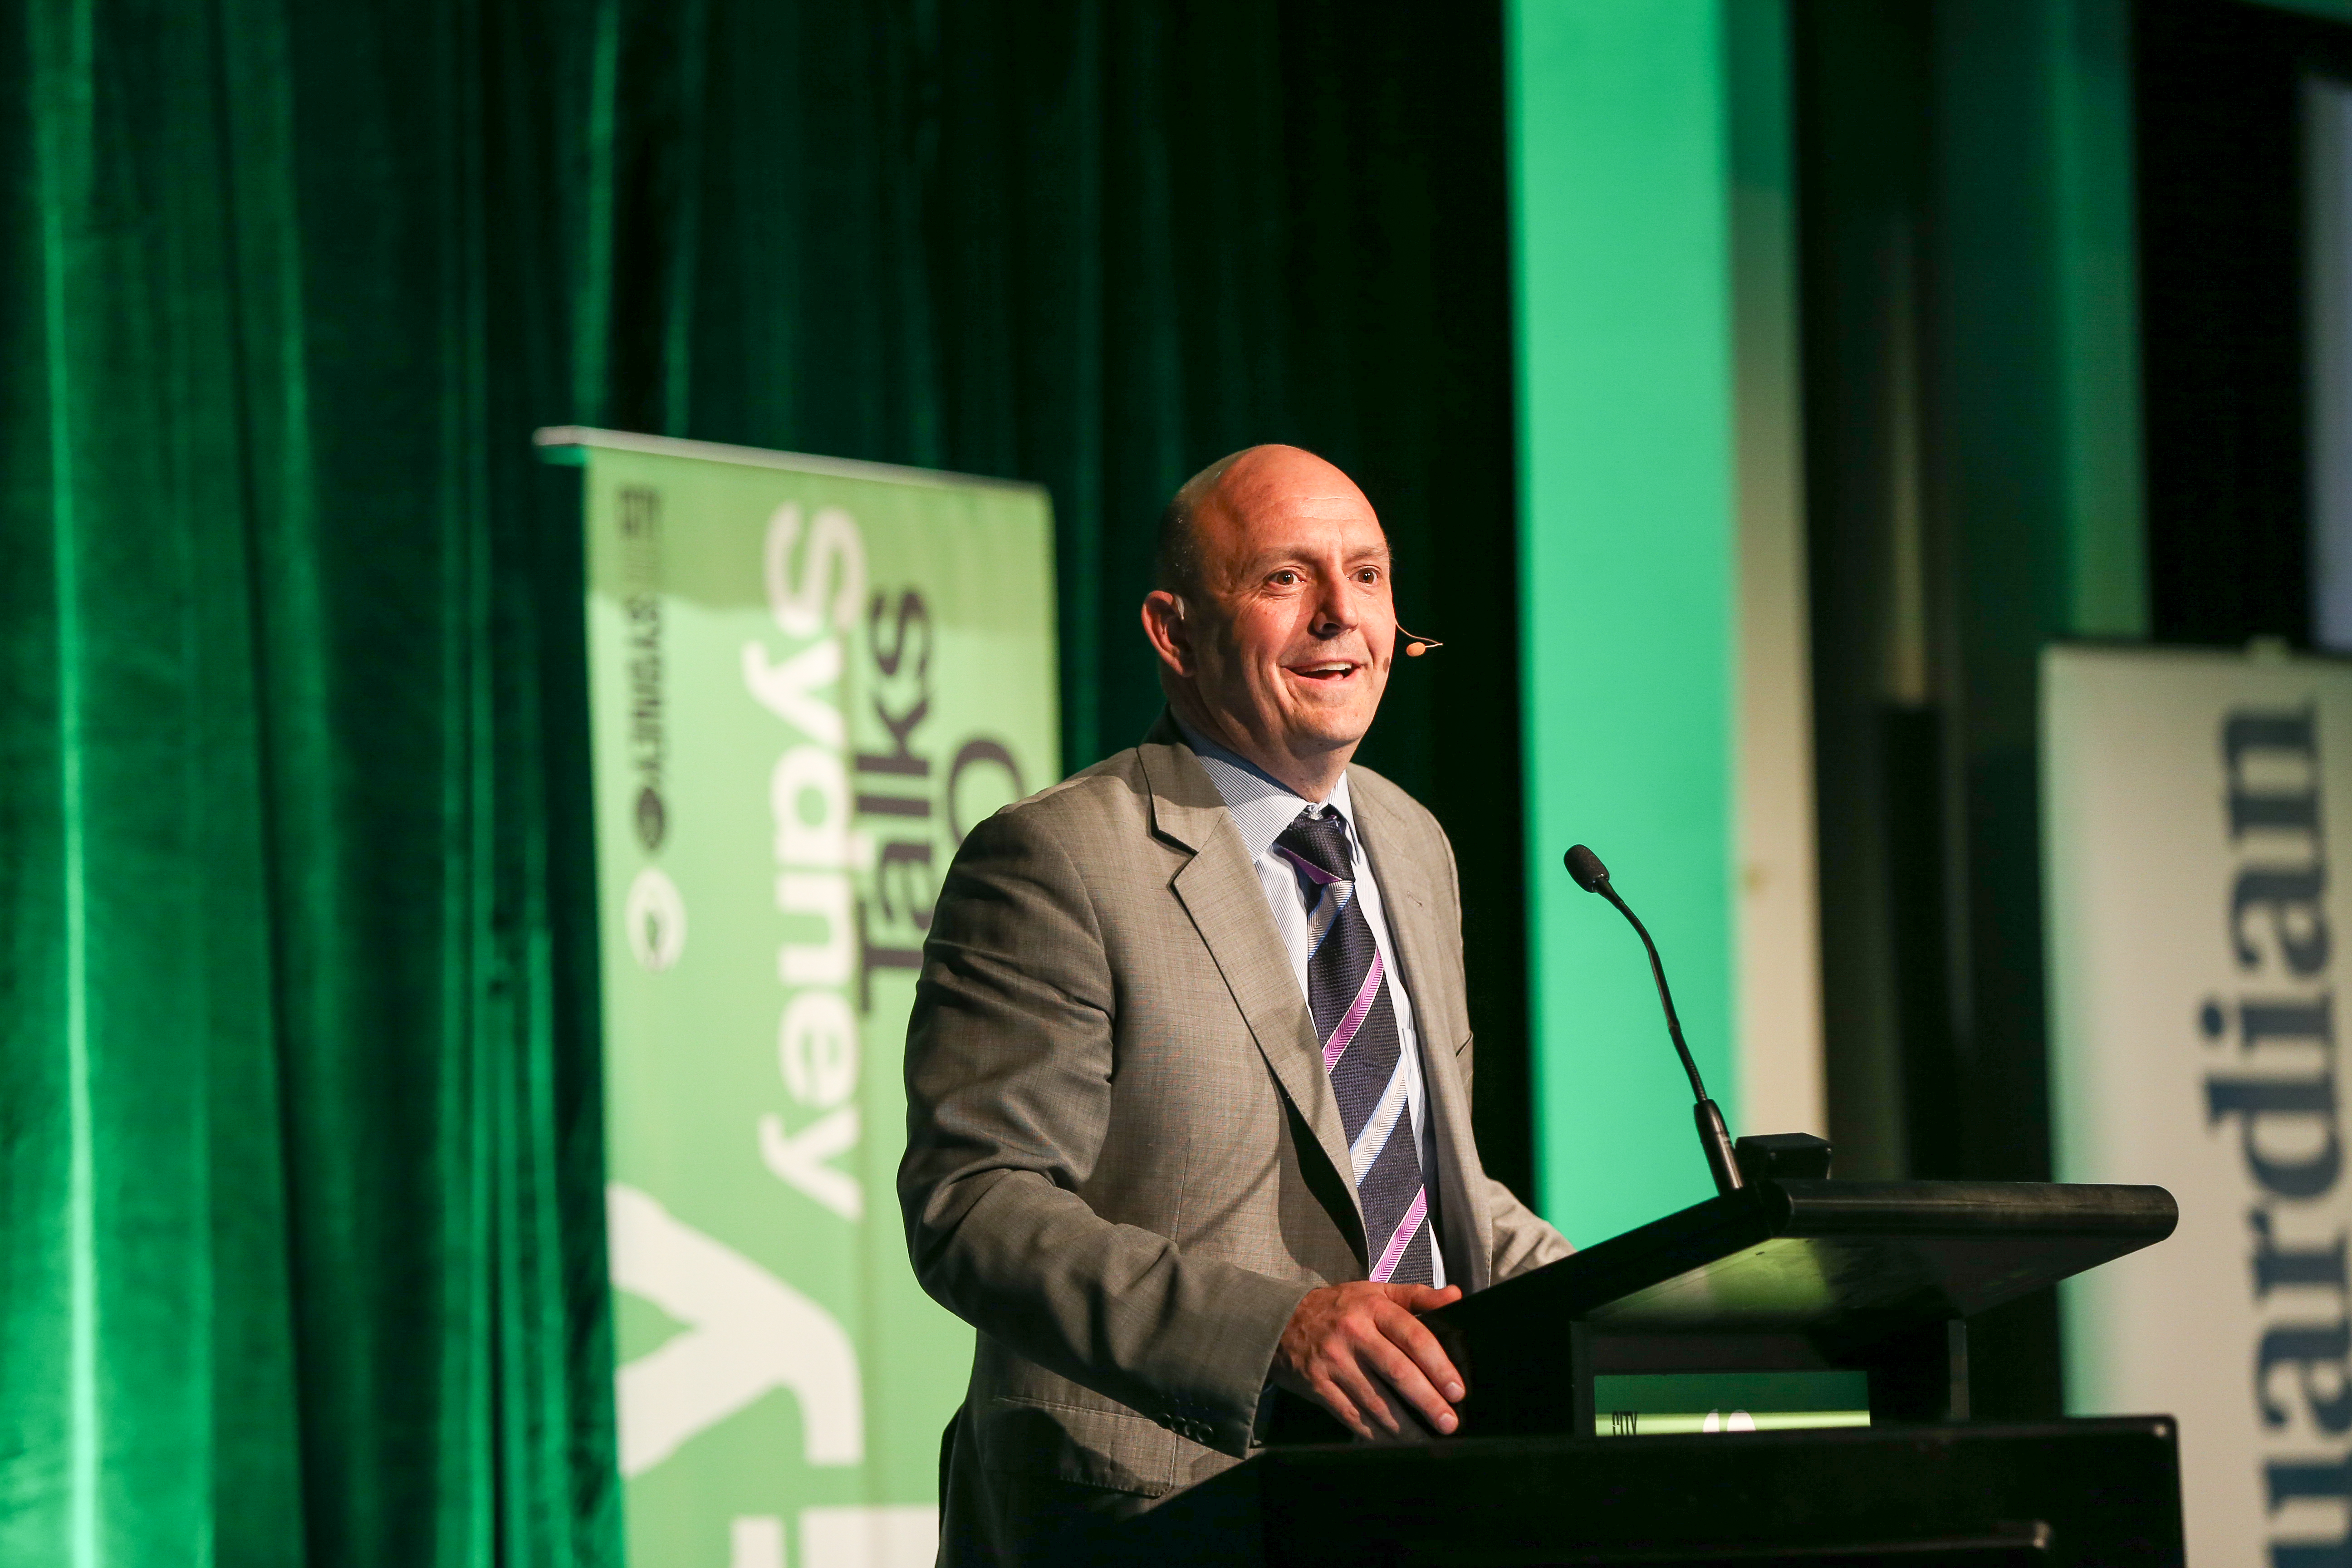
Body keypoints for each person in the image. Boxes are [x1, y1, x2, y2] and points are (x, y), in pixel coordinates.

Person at [898, 445, 1572, 1565]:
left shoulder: (1412, 843)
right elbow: (978, 1207)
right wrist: (1277, 1334)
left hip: (1419, 1500)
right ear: (1175, 632)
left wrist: (1642, 1300)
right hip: (1148, 1512)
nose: (1339, 618)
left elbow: (1418, 1174)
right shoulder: (1058, 858)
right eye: (1284, 580)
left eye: (1367, 575)